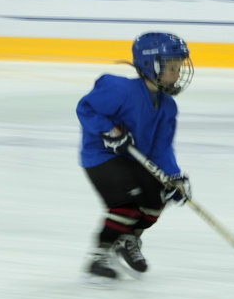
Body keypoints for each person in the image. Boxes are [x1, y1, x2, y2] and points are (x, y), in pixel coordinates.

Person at [76, 32, 194, 284]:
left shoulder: (167, 107)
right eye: (171, 67)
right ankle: (99, 256)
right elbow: (85, 108)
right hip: (101, 155)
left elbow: (162, 147)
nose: (177, 73)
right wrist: (108, 131)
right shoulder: (119, 89)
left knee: (157, 196)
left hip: (134, 159)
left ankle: (128, 239)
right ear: (151, 65)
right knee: (125, 205)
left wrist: (173, 176)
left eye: (178, 67)